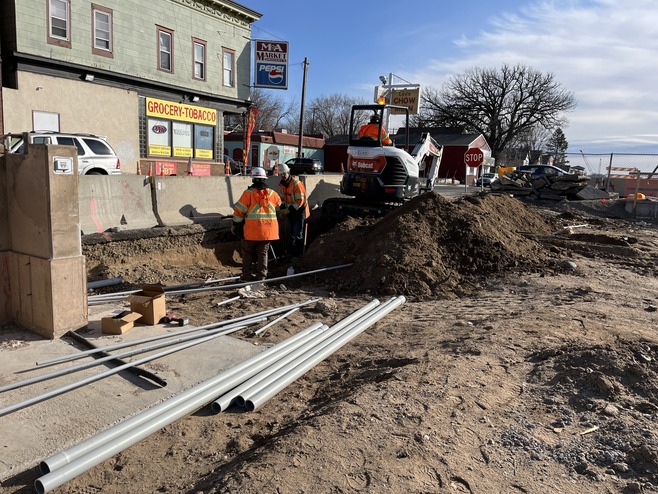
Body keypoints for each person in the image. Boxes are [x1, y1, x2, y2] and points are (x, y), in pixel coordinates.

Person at [231, 167, 281, 281]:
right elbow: (279, 205)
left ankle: (246, 275)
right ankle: (261, 276)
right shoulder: (273, 194)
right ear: (265, 179)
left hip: (251, 230)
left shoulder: (248, 193)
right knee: (263, 253)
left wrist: (235, 224)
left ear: (253, 179)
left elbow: (239, 212)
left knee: (247, 253)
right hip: (267, 231)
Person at [278, 163, 310, 257]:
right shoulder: (282, 185)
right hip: (291, 212)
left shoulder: (297, 184)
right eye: (281, 174)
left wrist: (287, 210)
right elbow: (283, 199)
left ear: (288, 172)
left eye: (284, 174)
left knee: (297, 234)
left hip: (299, 212)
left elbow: (300, 201)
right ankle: (292, 253)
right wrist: (282, 209)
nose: (282, 176)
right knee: (292, 233)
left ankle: (298, 255)